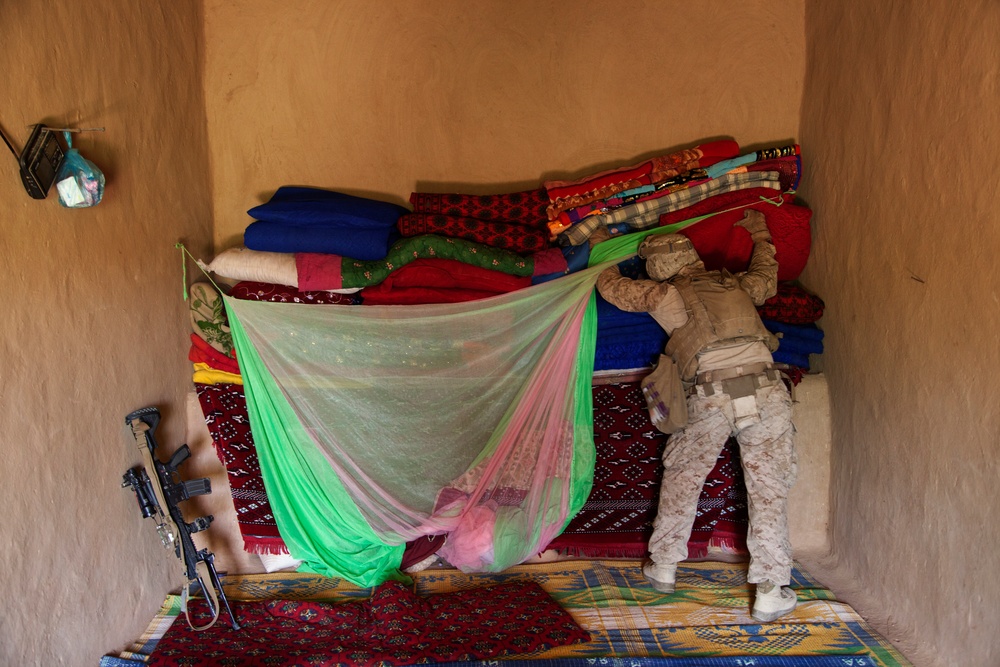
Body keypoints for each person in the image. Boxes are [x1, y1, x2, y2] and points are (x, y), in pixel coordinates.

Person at [595, 209, 798, 622]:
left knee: (683, 480)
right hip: (766, 390)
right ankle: (771, 591)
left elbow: (612, 288)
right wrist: (762, 239)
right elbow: (766, 277)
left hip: (709, 394)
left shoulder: (664, 295)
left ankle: (665, 566)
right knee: (769, 490)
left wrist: (603, 248)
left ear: (658, 268)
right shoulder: (736, 284)